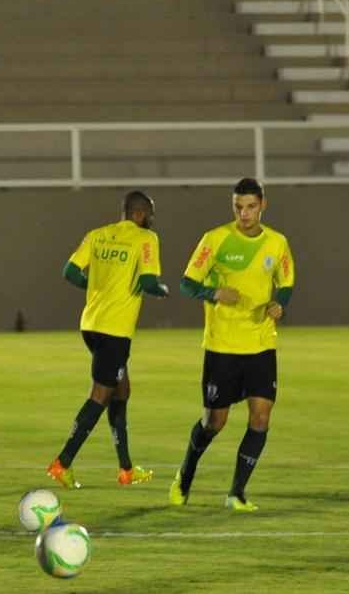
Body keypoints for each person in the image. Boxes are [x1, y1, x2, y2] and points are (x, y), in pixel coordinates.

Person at [171, 178, 295, 512]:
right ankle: (185, 475)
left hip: (261, 344)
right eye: (238, 207)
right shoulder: (215, 239)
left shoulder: (277, 243)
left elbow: (285, 283)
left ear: (263, 205)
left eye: (251, 206)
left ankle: (236, 493)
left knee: (261, 417)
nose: (244, 213)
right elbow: (186, 283)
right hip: (222, 345)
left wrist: (279, 305)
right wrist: (213, 293)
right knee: (214, 422)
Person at [46, 191, 168, 490]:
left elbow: (69, 272)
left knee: (121, 389)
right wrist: (161, 290)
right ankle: (62, 463)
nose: (151, 220)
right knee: (100, 394)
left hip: (91, 324)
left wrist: (97, 287)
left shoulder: (97, 235)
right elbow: (149, 281)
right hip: (115, 330)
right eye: (149, 214)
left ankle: (126, 469)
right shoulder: (146, 238)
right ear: (139, 214)